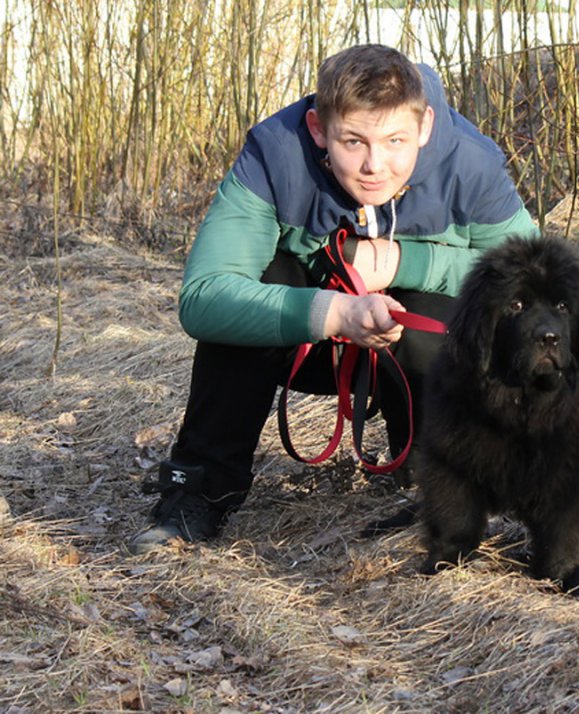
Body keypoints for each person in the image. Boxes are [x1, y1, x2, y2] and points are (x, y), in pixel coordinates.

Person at [128, 43, 537, 554]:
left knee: (450, 312)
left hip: (413, 345)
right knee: (248, 299)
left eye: (395, 141)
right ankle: (200, 490)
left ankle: (434, 486)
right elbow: (205, 296)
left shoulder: (470, 164)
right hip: (309, 344)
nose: (375, 165)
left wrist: (409, 264)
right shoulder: (274, 153)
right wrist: (334, 312)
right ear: (320, 129)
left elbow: (532, 285)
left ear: (426, 126)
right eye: (353, 141)